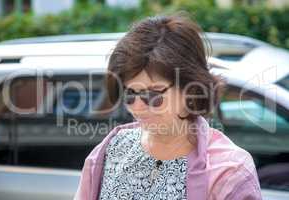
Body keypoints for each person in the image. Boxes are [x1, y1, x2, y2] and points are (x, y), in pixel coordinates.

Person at [74, 12, 262, 200]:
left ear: (190, 89)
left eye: (153, 95)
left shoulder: (228, 171)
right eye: (130, 93)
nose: (137, 107)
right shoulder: (113, 148)